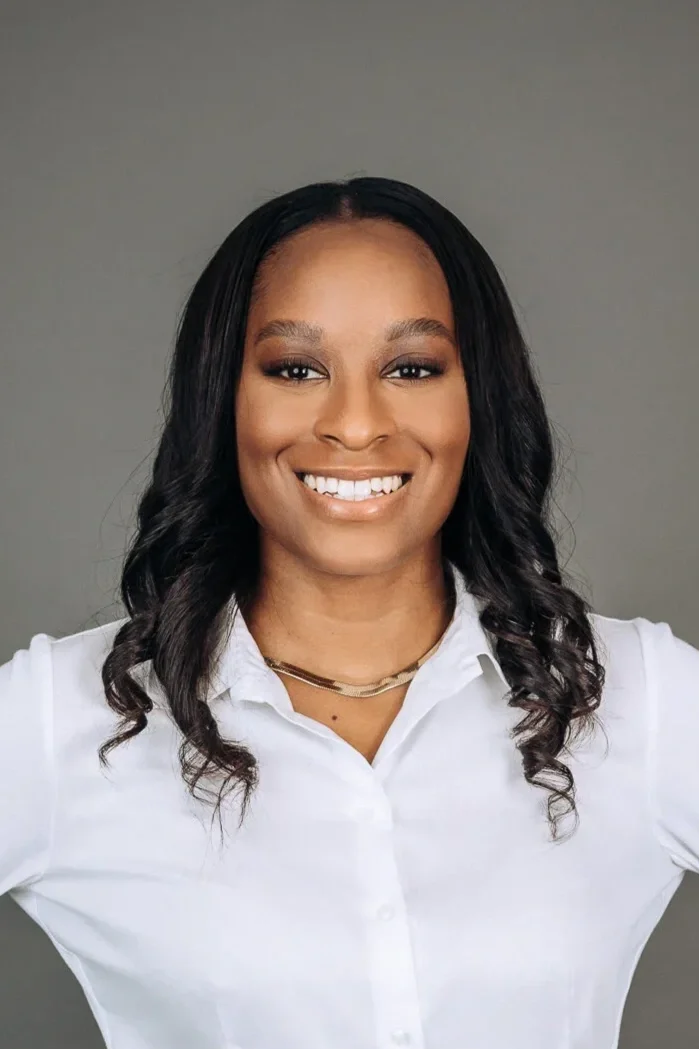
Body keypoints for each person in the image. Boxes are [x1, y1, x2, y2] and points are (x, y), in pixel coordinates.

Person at [1, 176, 697, 1049]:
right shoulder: (64, 716)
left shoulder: (637, 696)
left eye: (412, 368)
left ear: (477, 397)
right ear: (225, 399)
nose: (356, 424)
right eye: (295, 369)